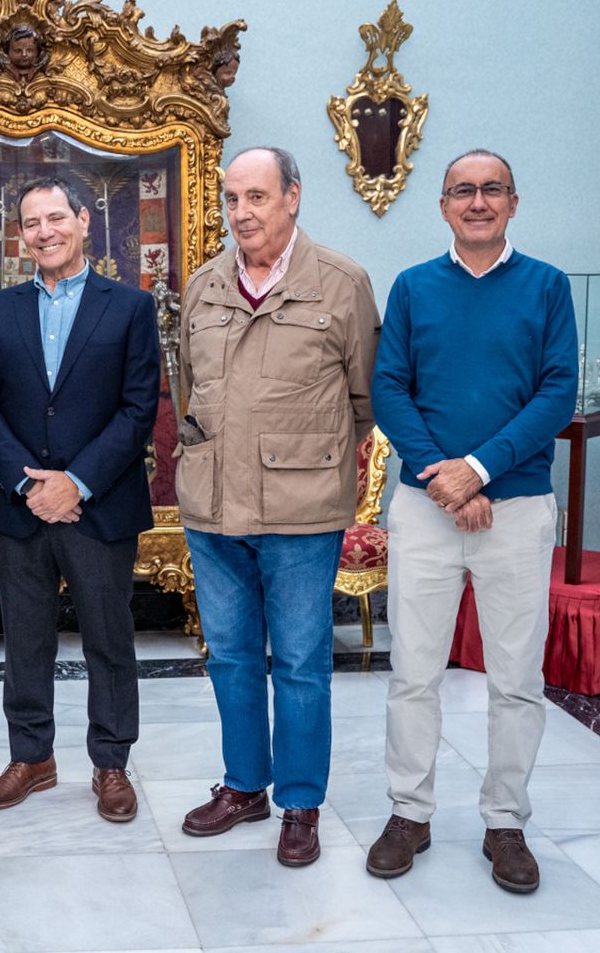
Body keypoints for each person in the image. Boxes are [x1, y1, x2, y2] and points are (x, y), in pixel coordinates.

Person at [368, 149, 577, 894]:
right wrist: (445, 476)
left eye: (492, 190)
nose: (478, 201)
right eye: (464, 190)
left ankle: (505, 821)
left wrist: (480, 469)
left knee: (517, 677)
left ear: (514, 203)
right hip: (427, 507)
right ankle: (409, 811)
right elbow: (389, 387)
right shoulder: (416, 287)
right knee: (412, 670)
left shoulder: (547, 287)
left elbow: (557, 394)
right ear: (444, 206)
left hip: (516, 508)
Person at [175, 146, 380, 867]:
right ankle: (243, 784)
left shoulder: (342, 283)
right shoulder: (203, 286)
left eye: (257, 197)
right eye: (232, 199)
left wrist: (300, 460)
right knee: (230, 655)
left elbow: (363, 401)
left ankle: (300, 802)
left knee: (298, 661)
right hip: (212, 509)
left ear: (293, 197)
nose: (242, 213)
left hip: (300, 513)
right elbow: (188, 393)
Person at [0, 176, 160, 823]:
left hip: (97, 506)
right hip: (18, 508)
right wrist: (29, 484)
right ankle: (32, 758)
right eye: (31, 222)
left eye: (56, 217)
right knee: (24, 640)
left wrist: (74, 482)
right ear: (21, 235)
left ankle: (111, 763)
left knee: (109, 639)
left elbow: (138, 409)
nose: (44, 231)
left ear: (83, 220)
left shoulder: (130, 307)